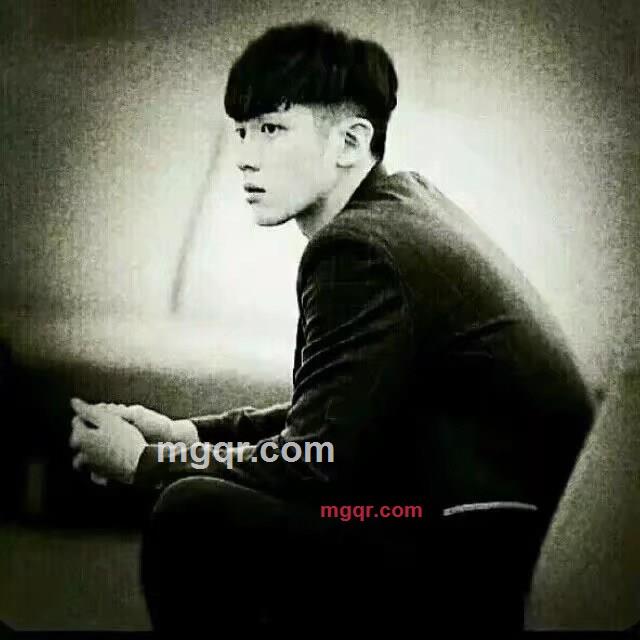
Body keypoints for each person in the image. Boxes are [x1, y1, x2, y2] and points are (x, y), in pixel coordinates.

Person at [69, 20, 595, 632]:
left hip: (467, 555)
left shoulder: (358, 250)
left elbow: (314, 460)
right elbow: (333, 420)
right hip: (475, 526)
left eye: (271, 129)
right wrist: (186, 434)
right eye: (241, 131)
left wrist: (147, 464)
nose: (244, 156)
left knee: (193, 512)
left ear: (350, 141)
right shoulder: (402, 208)